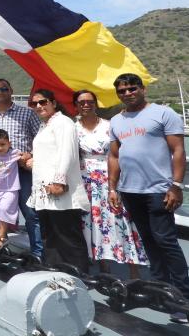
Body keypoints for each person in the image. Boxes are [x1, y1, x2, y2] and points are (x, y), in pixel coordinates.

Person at [108, 73, 189, 315]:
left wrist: (176, 185)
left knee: (166, 241)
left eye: (132, 88)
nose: (127, 93)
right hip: (129, 190)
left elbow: (178, 150)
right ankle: (159, 288)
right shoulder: (116, 121)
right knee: (147, 240)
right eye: (122, 91)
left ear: (142, 89)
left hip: (158, 190)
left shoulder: (163, 113)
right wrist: (113, 188)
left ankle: (183, 296)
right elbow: (114, 156)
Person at [74, 90, 145, 278]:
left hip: (111, 176)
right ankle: (104, 267)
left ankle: (134, 269)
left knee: (122, 220)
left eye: (90, 101)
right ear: (76, 106)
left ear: (96, 104)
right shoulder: (73, 129)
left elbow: (122, 151)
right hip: (85, 180)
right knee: (93, 223)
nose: (86, 105)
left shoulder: (110, 125)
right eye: (81, 102)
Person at [27, 89, 90, 273]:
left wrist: (59, 181)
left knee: (67, 234)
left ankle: (79, 274)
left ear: (53, 103)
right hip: (44, 189)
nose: (39, 106)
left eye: (43, 102)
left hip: (60, 189)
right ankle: (54, 270)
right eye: (34, 104)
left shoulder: (63, 123)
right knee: (50, 234)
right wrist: (32, 159)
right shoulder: (45, 126)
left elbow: (67, 154)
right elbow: (50, 153)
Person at [0, 79, 43, 258]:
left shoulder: (27, 113)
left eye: (4, 89)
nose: (0, 92)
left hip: (22, 170)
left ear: (11, 90)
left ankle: (38, 252)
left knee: (30, 212)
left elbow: (40, 138)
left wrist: (29, 156)